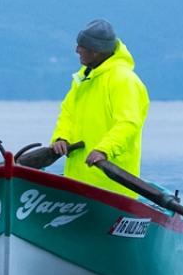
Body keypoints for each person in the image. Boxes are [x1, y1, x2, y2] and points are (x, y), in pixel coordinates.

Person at [50, 19, 148, 198]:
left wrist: (104, 150)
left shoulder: (124, 81)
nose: (76, 50)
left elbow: (128, 124)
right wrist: (61, 137)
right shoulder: (83, 79)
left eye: (82, 46)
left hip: (113, 189)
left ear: (96, 50)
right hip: (77, 183)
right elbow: (68, 113)